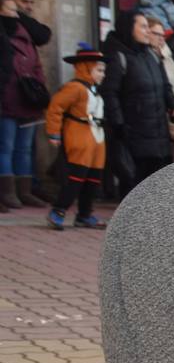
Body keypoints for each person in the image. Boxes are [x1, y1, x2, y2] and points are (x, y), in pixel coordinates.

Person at [99, 9, 174, 193]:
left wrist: (173, 105)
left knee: (153, 187)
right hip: (133, 134)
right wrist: (119, 124)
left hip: (157, 134)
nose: (147, 31)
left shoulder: (151, 56)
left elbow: (165, 85)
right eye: (142, 26)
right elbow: (110, 93)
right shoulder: (119, 57)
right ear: (129, 28)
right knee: (133, 185)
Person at [43, 43, 105, 229]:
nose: (103, 74)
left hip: (97, 136)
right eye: (99, 70)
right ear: (86, 68)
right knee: (76, 177)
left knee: (93, 177)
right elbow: (55, 107)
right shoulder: (75, 88)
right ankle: (58, 211)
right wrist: (54, 132)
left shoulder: (93, 89)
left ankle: (84, 214)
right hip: (79, 135)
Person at [0, 0, 45, 208]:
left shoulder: (26, 32)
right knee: (6, 146)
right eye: (12, 8)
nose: (17, 13)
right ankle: (8, 192)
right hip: (8, 98)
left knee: (24, 148)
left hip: (28, 98)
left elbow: (36, 61)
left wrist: (38, 86)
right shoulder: (5, 35)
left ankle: (23, 190)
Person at [145, 18, 174, 104]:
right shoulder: (139, 58)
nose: (161, 39)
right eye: (156, 34)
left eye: (163, 35)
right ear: (146, 32)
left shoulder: (167, 58)